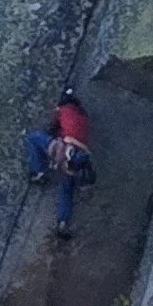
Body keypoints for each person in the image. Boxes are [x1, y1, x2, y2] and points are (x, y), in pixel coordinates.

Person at [27, 90, 97, 236]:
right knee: (66, 190)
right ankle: (63, 222)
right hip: (77, 157)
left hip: (65, 149)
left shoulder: (63, 110)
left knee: (33, 138)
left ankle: (38, 172)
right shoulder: (84, 117)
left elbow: (52, 127)